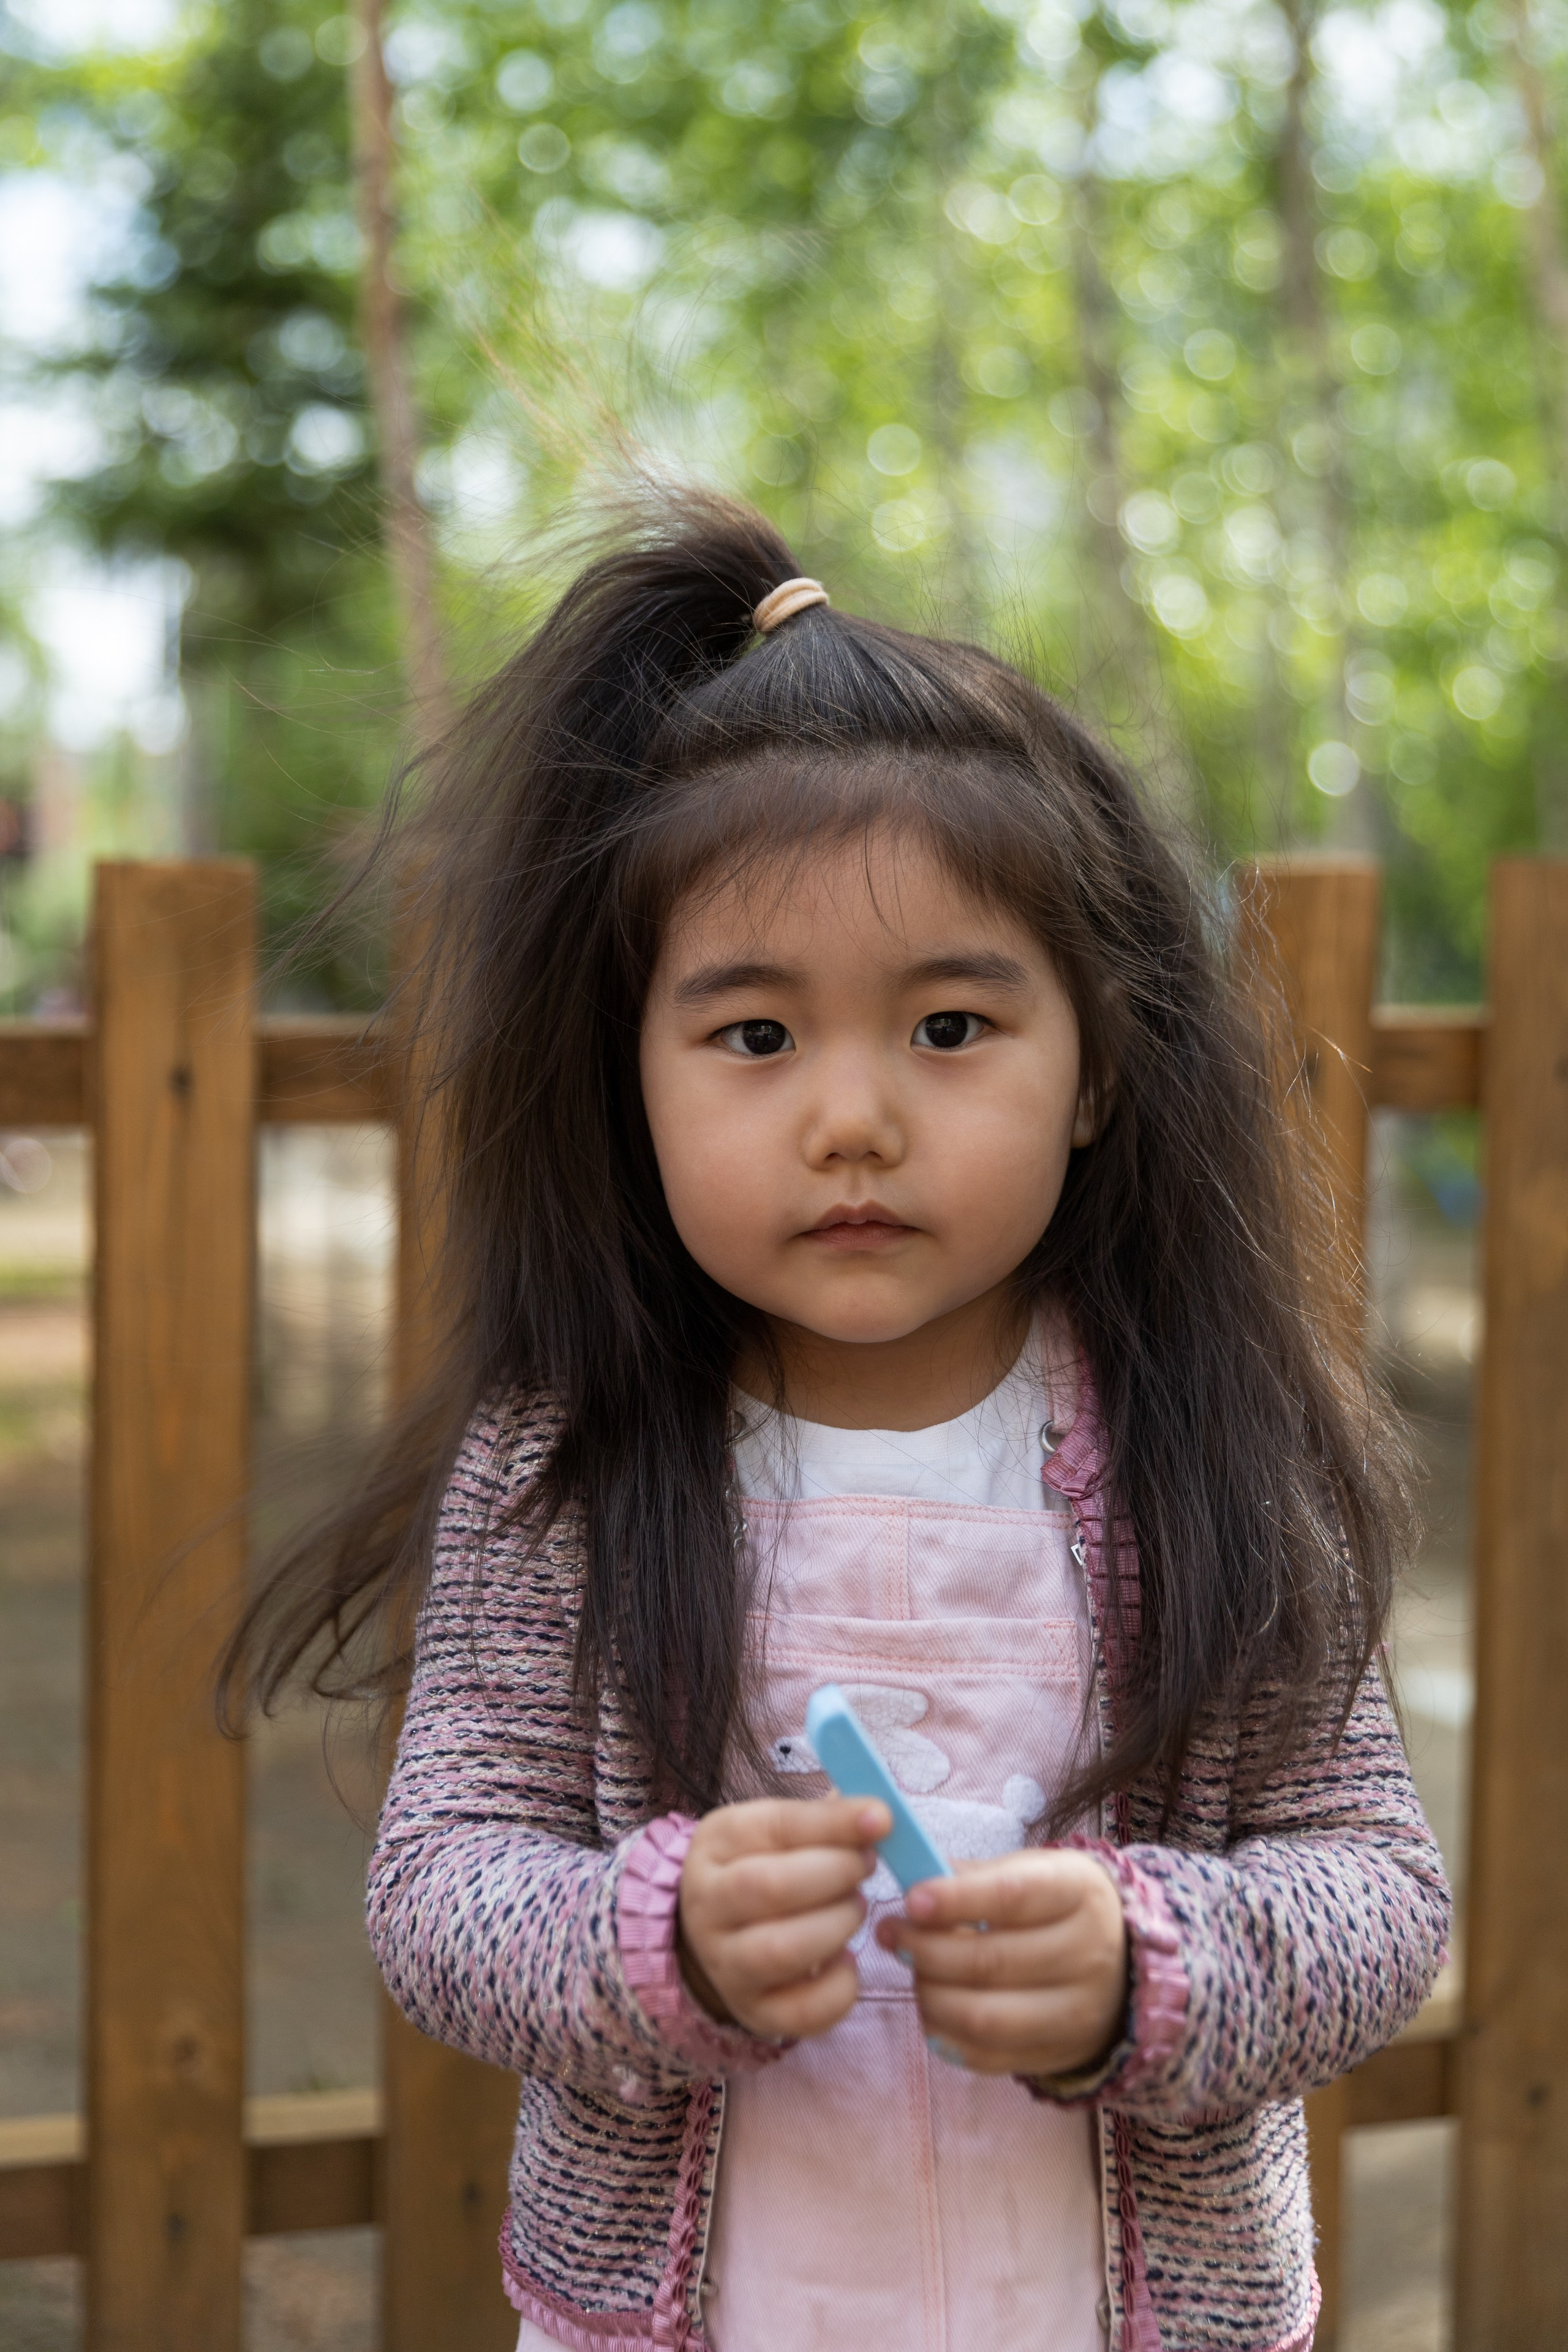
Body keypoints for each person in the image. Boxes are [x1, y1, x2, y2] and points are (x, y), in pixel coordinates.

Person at [231, 488, 1450, 2351]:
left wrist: (1157, 1970)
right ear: (633, 1078)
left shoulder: (1212, 1461)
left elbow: (1378, 1893)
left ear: (1100, 1067)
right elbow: (444, 1891)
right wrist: (660, 1940)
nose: (854, 1119)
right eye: (756, 1037)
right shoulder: (573, 1463)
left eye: (951, 1029)